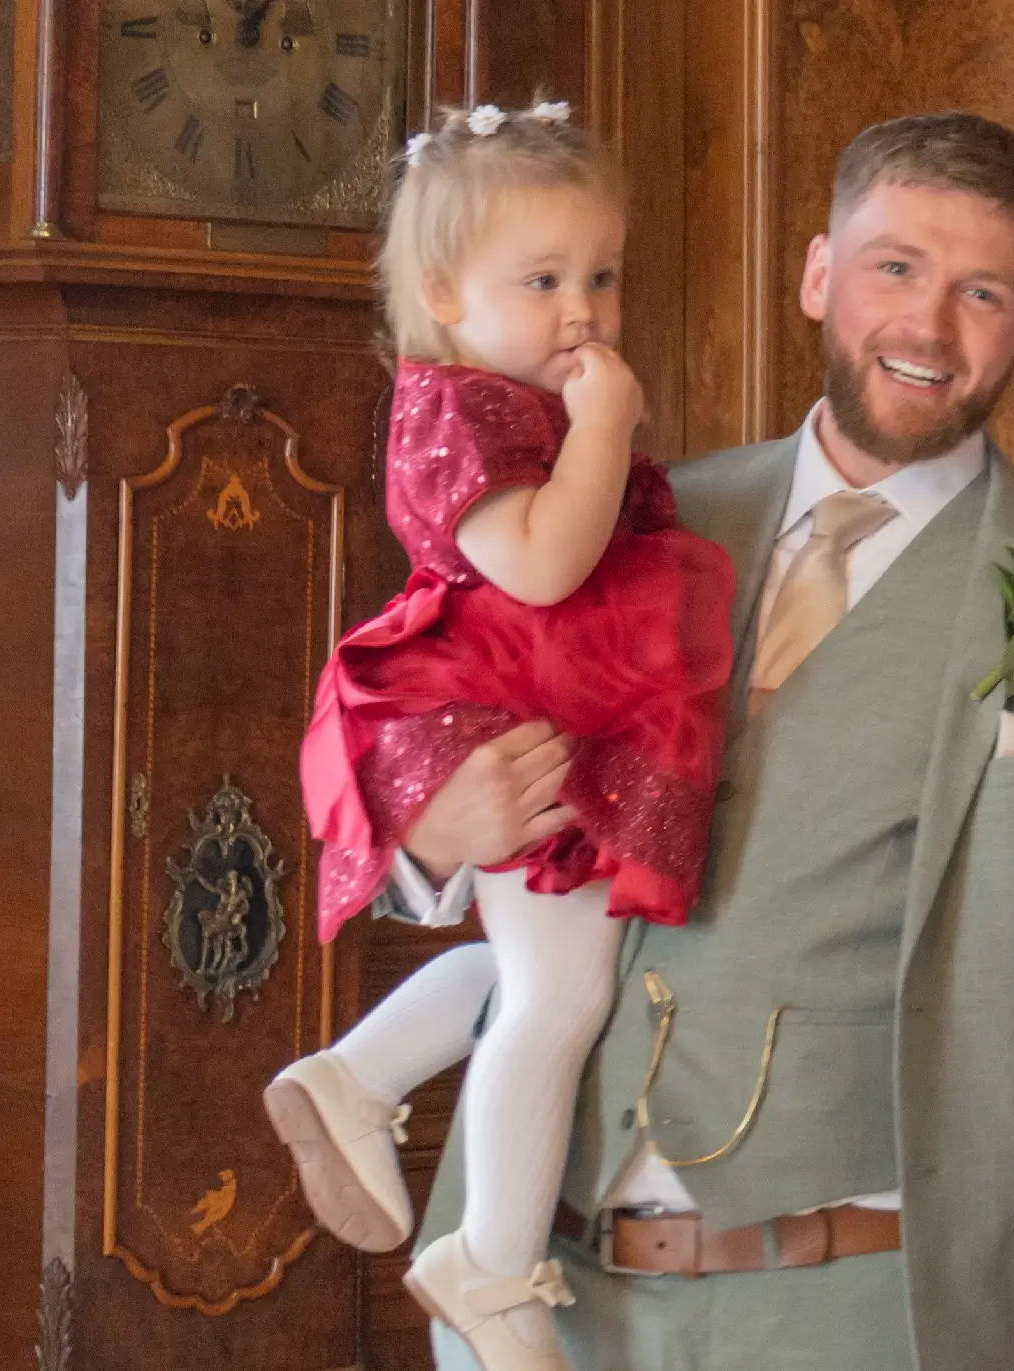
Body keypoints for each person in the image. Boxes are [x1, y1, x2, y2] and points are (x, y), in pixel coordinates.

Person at [280, 113, 1014, 1371]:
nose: (927, 328)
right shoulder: (620, 513)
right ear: (820, 275)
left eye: (981, 292)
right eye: (895, 269)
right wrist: (436, 837)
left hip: (864, 1301)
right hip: (543, 1292)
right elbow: (427, 700)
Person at [264, 102, 734, 1371]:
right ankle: (493, 1263)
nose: (582, 310)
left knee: (544, 972)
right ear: (442, 292)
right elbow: (538, 564)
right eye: (544, 280)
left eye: (603, 276)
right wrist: (607, 429)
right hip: (501, 694)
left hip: (529, 696)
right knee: (559, 989)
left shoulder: (504, 397)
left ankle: (356, 1078)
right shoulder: (463, 412)